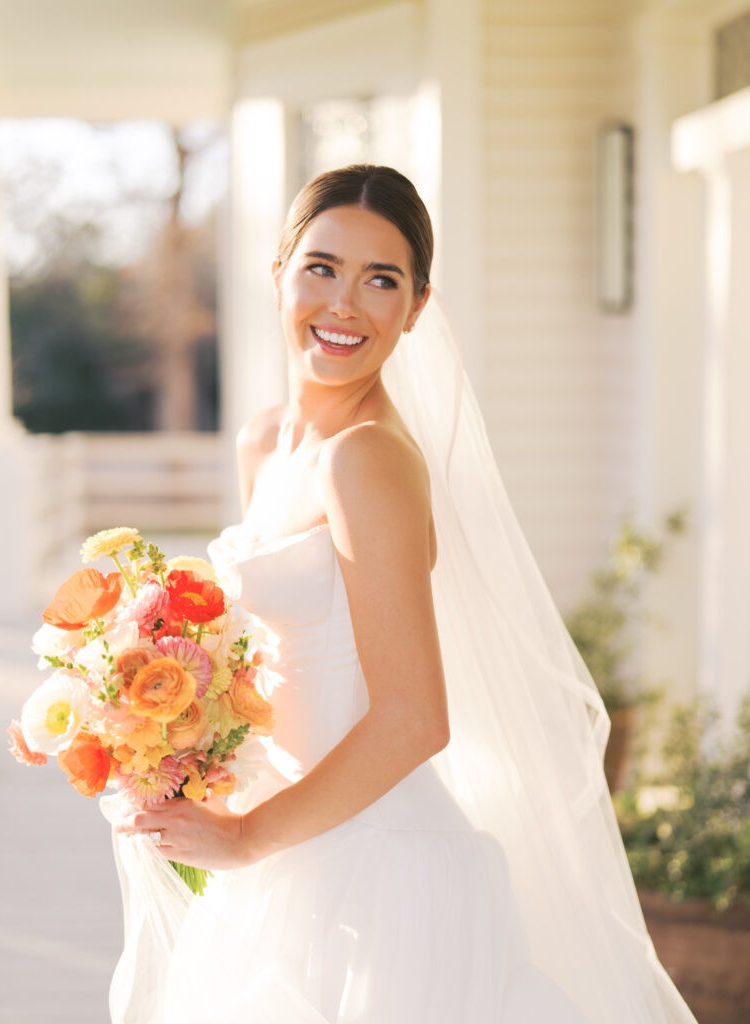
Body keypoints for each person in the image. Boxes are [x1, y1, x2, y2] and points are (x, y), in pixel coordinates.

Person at [112, 165, 698, 1023]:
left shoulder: (368, 461)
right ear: (278, 274)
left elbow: (414, 717)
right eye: (322, 268)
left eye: (380, 280)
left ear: (417, 306)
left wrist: (244, 839)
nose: (343, 304)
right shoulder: (265, 444)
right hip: (282, 853)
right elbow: (274, 663)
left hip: (372, 872)